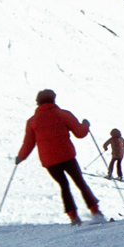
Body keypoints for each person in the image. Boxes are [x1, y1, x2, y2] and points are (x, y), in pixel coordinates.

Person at [16, 89, 103, 226]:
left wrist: (20, 157)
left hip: (49, 162)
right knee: (79, 182)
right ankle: (95, 211)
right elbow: (80, 133)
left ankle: (73, 216)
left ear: (38, 102)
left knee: (64, 186)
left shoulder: (32, 122)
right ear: (53, 100)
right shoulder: (63, 114)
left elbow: (28, 143)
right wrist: (86, 124)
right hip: (67, 156)